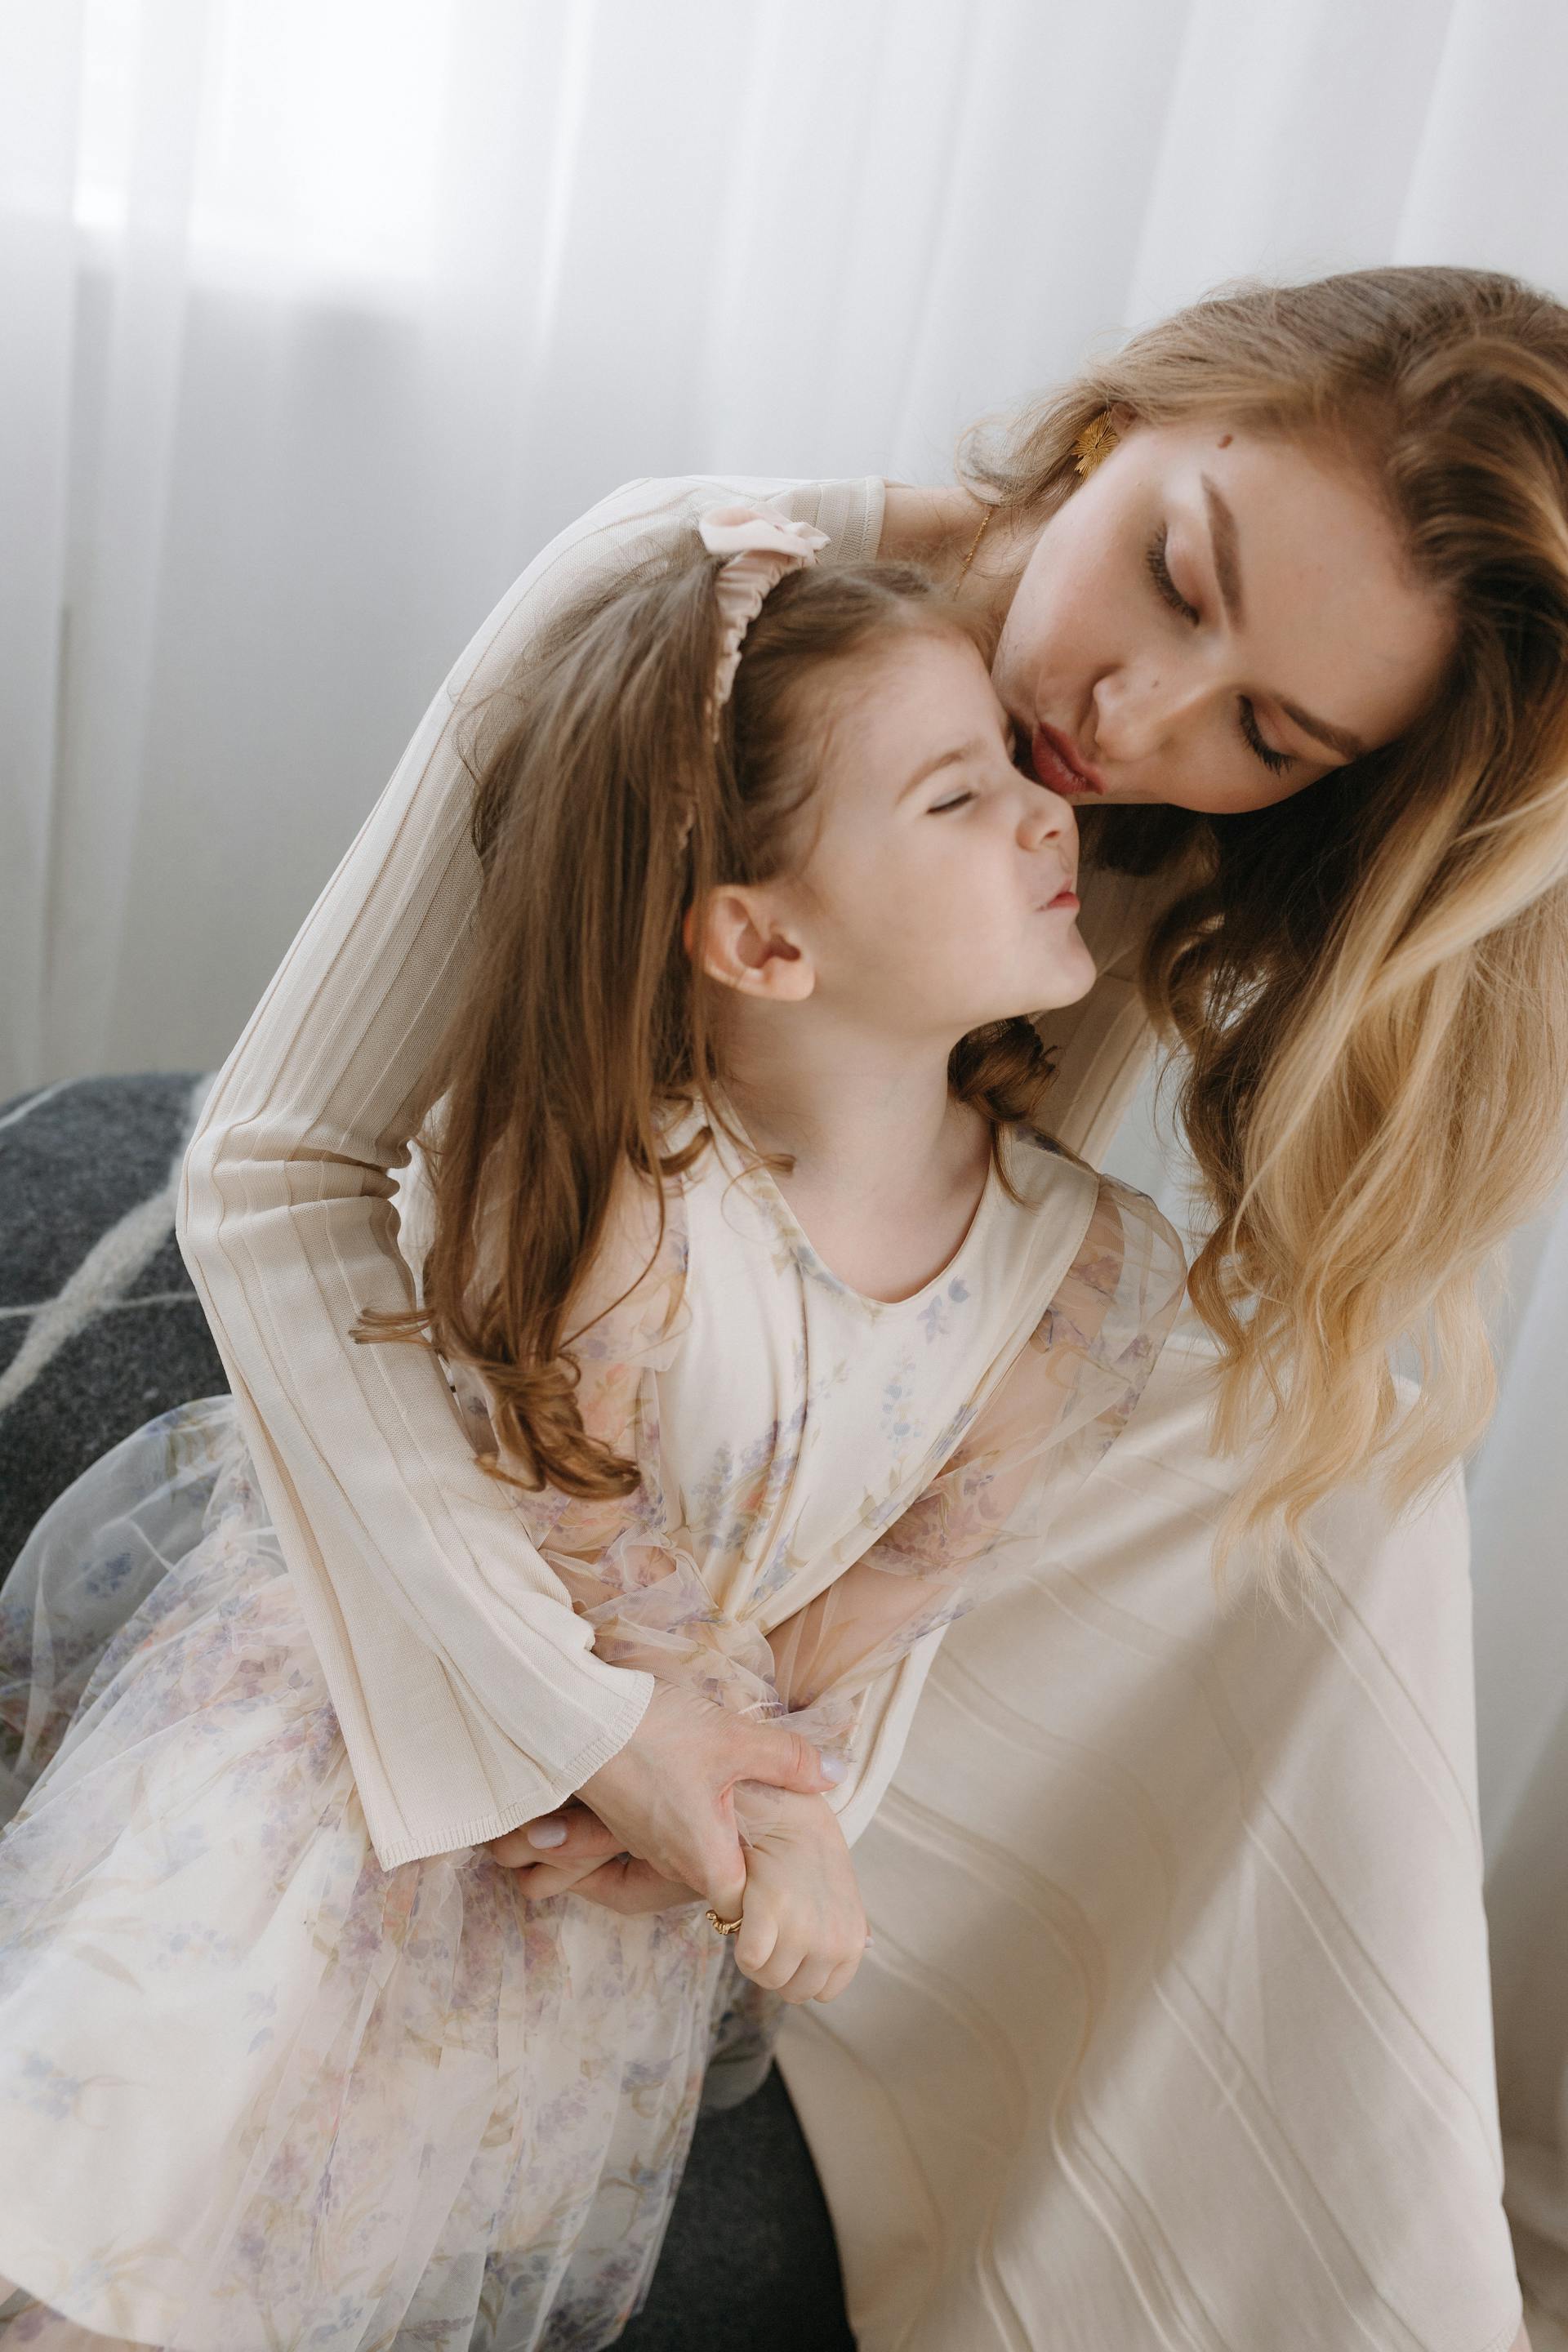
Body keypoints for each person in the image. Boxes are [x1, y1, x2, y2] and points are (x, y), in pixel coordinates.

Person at [5, 261, 1560, 2350]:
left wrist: (775, 1779)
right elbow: (281, 1169)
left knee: (1353, 1498)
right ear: (1128, 418)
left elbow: (971, 1300)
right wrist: (590, 1722)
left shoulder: (1131, 827)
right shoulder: (697, 585)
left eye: (1270, 732)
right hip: (524, 1350)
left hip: (794, 1455)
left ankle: (1332, 2274)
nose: (1131, 729)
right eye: (1175, 579)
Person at [0, 506, 1183, 2348]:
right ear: (762, 943)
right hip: (376, 1759)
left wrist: (793, 1816)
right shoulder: (639, 1203)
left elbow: (896, 1592)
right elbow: (573, 1537)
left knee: (324, 2260)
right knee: (107, 2193)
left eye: (1016, 779)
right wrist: (707, 1788)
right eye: (960, 801)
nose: (1054, 819)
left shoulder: (1081, 1274)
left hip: (588, 1881)